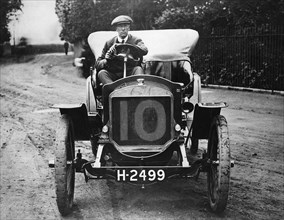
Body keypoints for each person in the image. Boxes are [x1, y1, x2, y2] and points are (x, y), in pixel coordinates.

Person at [96, 15, 148, 85]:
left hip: (131, 73)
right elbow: (98, 64)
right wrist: (107, 59)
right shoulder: (109, 43)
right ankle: (114, 91)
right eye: (120, 26)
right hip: (114, 74)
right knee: (102, 73)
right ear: (116, 29)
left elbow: (145, 50)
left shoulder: (136, 40)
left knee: (138, 69)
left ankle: (136, 92)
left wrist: (133, 47)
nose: (123, 29)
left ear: (129, 27)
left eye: (125, 26)